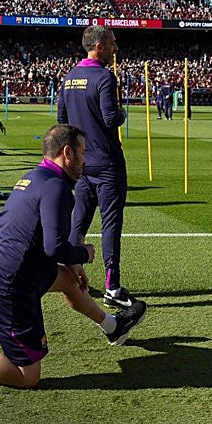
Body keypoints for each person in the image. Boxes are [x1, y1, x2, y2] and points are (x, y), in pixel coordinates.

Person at [0, 124, 147, 388]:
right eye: (82, 153)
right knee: (26, 377)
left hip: (7, 265)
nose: (85, 160)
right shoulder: (56, 188)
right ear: (67, 153)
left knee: (70, 281)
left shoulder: (37, 177)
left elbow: (45, 238)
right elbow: (54, 247)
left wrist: (72, 263)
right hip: (10, 283)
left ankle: (113, 327)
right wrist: (84, 253)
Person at [57, 25, 132, 308]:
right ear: (99, 46)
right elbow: (111, 118)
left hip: (81, 163)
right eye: (112, 42)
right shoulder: (104, 76)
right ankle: (112, 286)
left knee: (80, 219)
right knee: (111, 222)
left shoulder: (69, 77)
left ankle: (71, 275)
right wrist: (123, 111)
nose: (116, 47)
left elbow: (62, 120)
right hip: (107, 161)